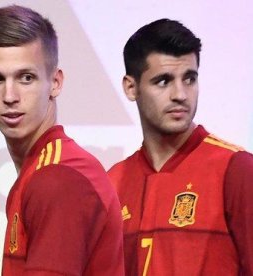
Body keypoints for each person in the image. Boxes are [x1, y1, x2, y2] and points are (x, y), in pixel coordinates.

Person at [0, 5, 124, 275]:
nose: (10, 96)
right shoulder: (40, 172)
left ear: (55, 82)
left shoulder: (57, 179)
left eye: (26, 78)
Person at [107, 18, 253, 275]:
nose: (181, 94)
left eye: (189, 79)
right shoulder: (113, 182)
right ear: (131, 87)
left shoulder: (237, 169)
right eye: (163, 81)